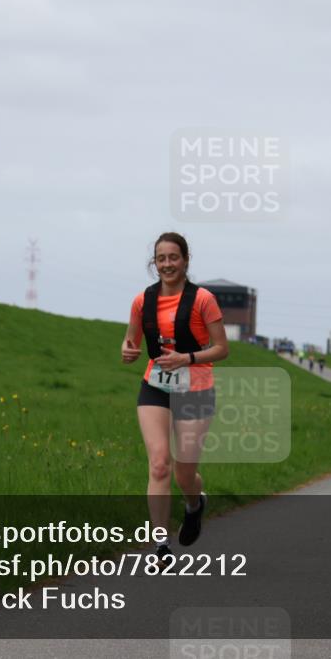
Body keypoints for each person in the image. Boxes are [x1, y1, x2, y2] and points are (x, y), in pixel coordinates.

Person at [121, 233, 229, 568]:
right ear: (154, 263)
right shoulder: (142, 300)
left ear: (185, 260)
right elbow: (130, 341)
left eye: (173, 257)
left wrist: (187, 358)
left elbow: (222, 348)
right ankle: (160, 544)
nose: (167, 264)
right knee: (158, 464)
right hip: (155, 385)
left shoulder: (203, 299)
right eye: (161, 258)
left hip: (196, 387)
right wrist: (128, 351)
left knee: (184, 473)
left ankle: (195, 504)